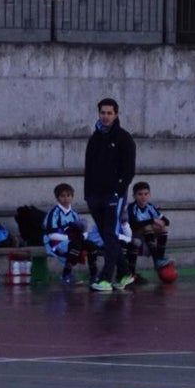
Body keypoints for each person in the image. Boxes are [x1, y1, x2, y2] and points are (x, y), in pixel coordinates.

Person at [83, 97, 137, 293]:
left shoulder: (124, 138)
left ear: (116, 114)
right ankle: (125, 273)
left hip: (113, 195)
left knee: (111, 234)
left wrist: (118, 191)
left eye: (109, 113)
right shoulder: (95, 138)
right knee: (108, 237)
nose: (105, 117)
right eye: (102, 113)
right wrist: (88, 194)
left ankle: (106, 278)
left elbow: (129, 169)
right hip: (94, 195)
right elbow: (89, 168)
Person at [42, 183, 99, 285]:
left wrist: (83, 236)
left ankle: (94, 274)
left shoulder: (74, 213)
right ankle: (66, 275)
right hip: (55, 243)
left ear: (72, 197)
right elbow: (51, 234)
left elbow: (83, 231)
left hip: (72, 241)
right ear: (57, 198)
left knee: (91, 245)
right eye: (62, 196)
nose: (66, 199)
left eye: (68, 195)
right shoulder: (54, 213)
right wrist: (70, 237)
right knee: (75, 244)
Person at [125, 180, 173, 280]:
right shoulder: (131, 207)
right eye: (140, 194)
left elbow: (166, 221)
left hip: (148, 237)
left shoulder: (150, 207)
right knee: (148, 227)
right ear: (134, 196)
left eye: (146, 194)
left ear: (149, 195)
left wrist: (161, 223)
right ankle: (156, 260)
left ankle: (160, 258)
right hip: (134, 235)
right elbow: (134, 225)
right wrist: (153, 220)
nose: (143, 197)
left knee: (163, 227)